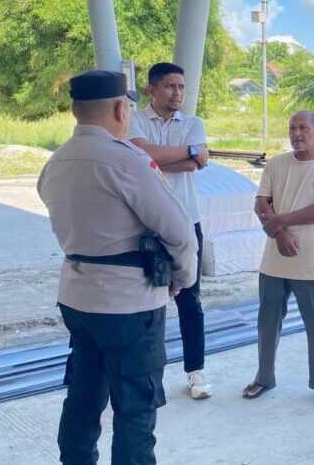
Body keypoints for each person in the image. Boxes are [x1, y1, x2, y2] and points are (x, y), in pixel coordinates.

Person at [38, 69, 198, 465]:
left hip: (77, 300)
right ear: (120, 109)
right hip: (129, 305)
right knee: (135, 407)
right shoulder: (128, 160)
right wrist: (182, 278)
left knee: (83, 394)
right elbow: (180, 233)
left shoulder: (55, 161)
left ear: (76, 110)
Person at [242, 110, 314, 406]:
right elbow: (261, 202)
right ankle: (264, 376)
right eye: (292, 128)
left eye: (303, 128)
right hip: (274, 259)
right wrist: (280, 234)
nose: (296, 134)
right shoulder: (276, 164)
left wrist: (278, 221)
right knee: (267, 321)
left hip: (310, 258)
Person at [127, 62, 212, 400]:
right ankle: (146, 373)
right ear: (152, 89)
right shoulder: (134, 120)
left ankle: (196, 371)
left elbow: (195, 163)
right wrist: (189, 152)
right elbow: (139, 154)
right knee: (145, 301)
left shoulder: (193, 123)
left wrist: (154, 157)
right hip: (145, 224)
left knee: (190, 299)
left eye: (181, 87)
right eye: (170, 86)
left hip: (187, 221)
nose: (177, 93)